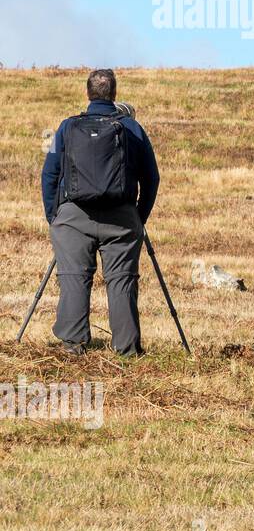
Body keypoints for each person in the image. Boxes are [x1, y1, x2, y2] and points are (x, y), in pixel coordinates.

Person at [40, 69, 160, 355]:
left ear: (88, 93)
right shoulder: (132, 128)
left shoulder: (66, 127)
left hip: (72, 217)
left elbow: (49, 174)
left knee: (73, 277)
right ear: (115, 94)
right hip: (122, 217)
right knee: (122, 281)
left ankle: (73, 344)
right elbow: (151, 178)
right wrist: (137, 217)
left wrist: (54, 216)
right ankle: (127, 348)